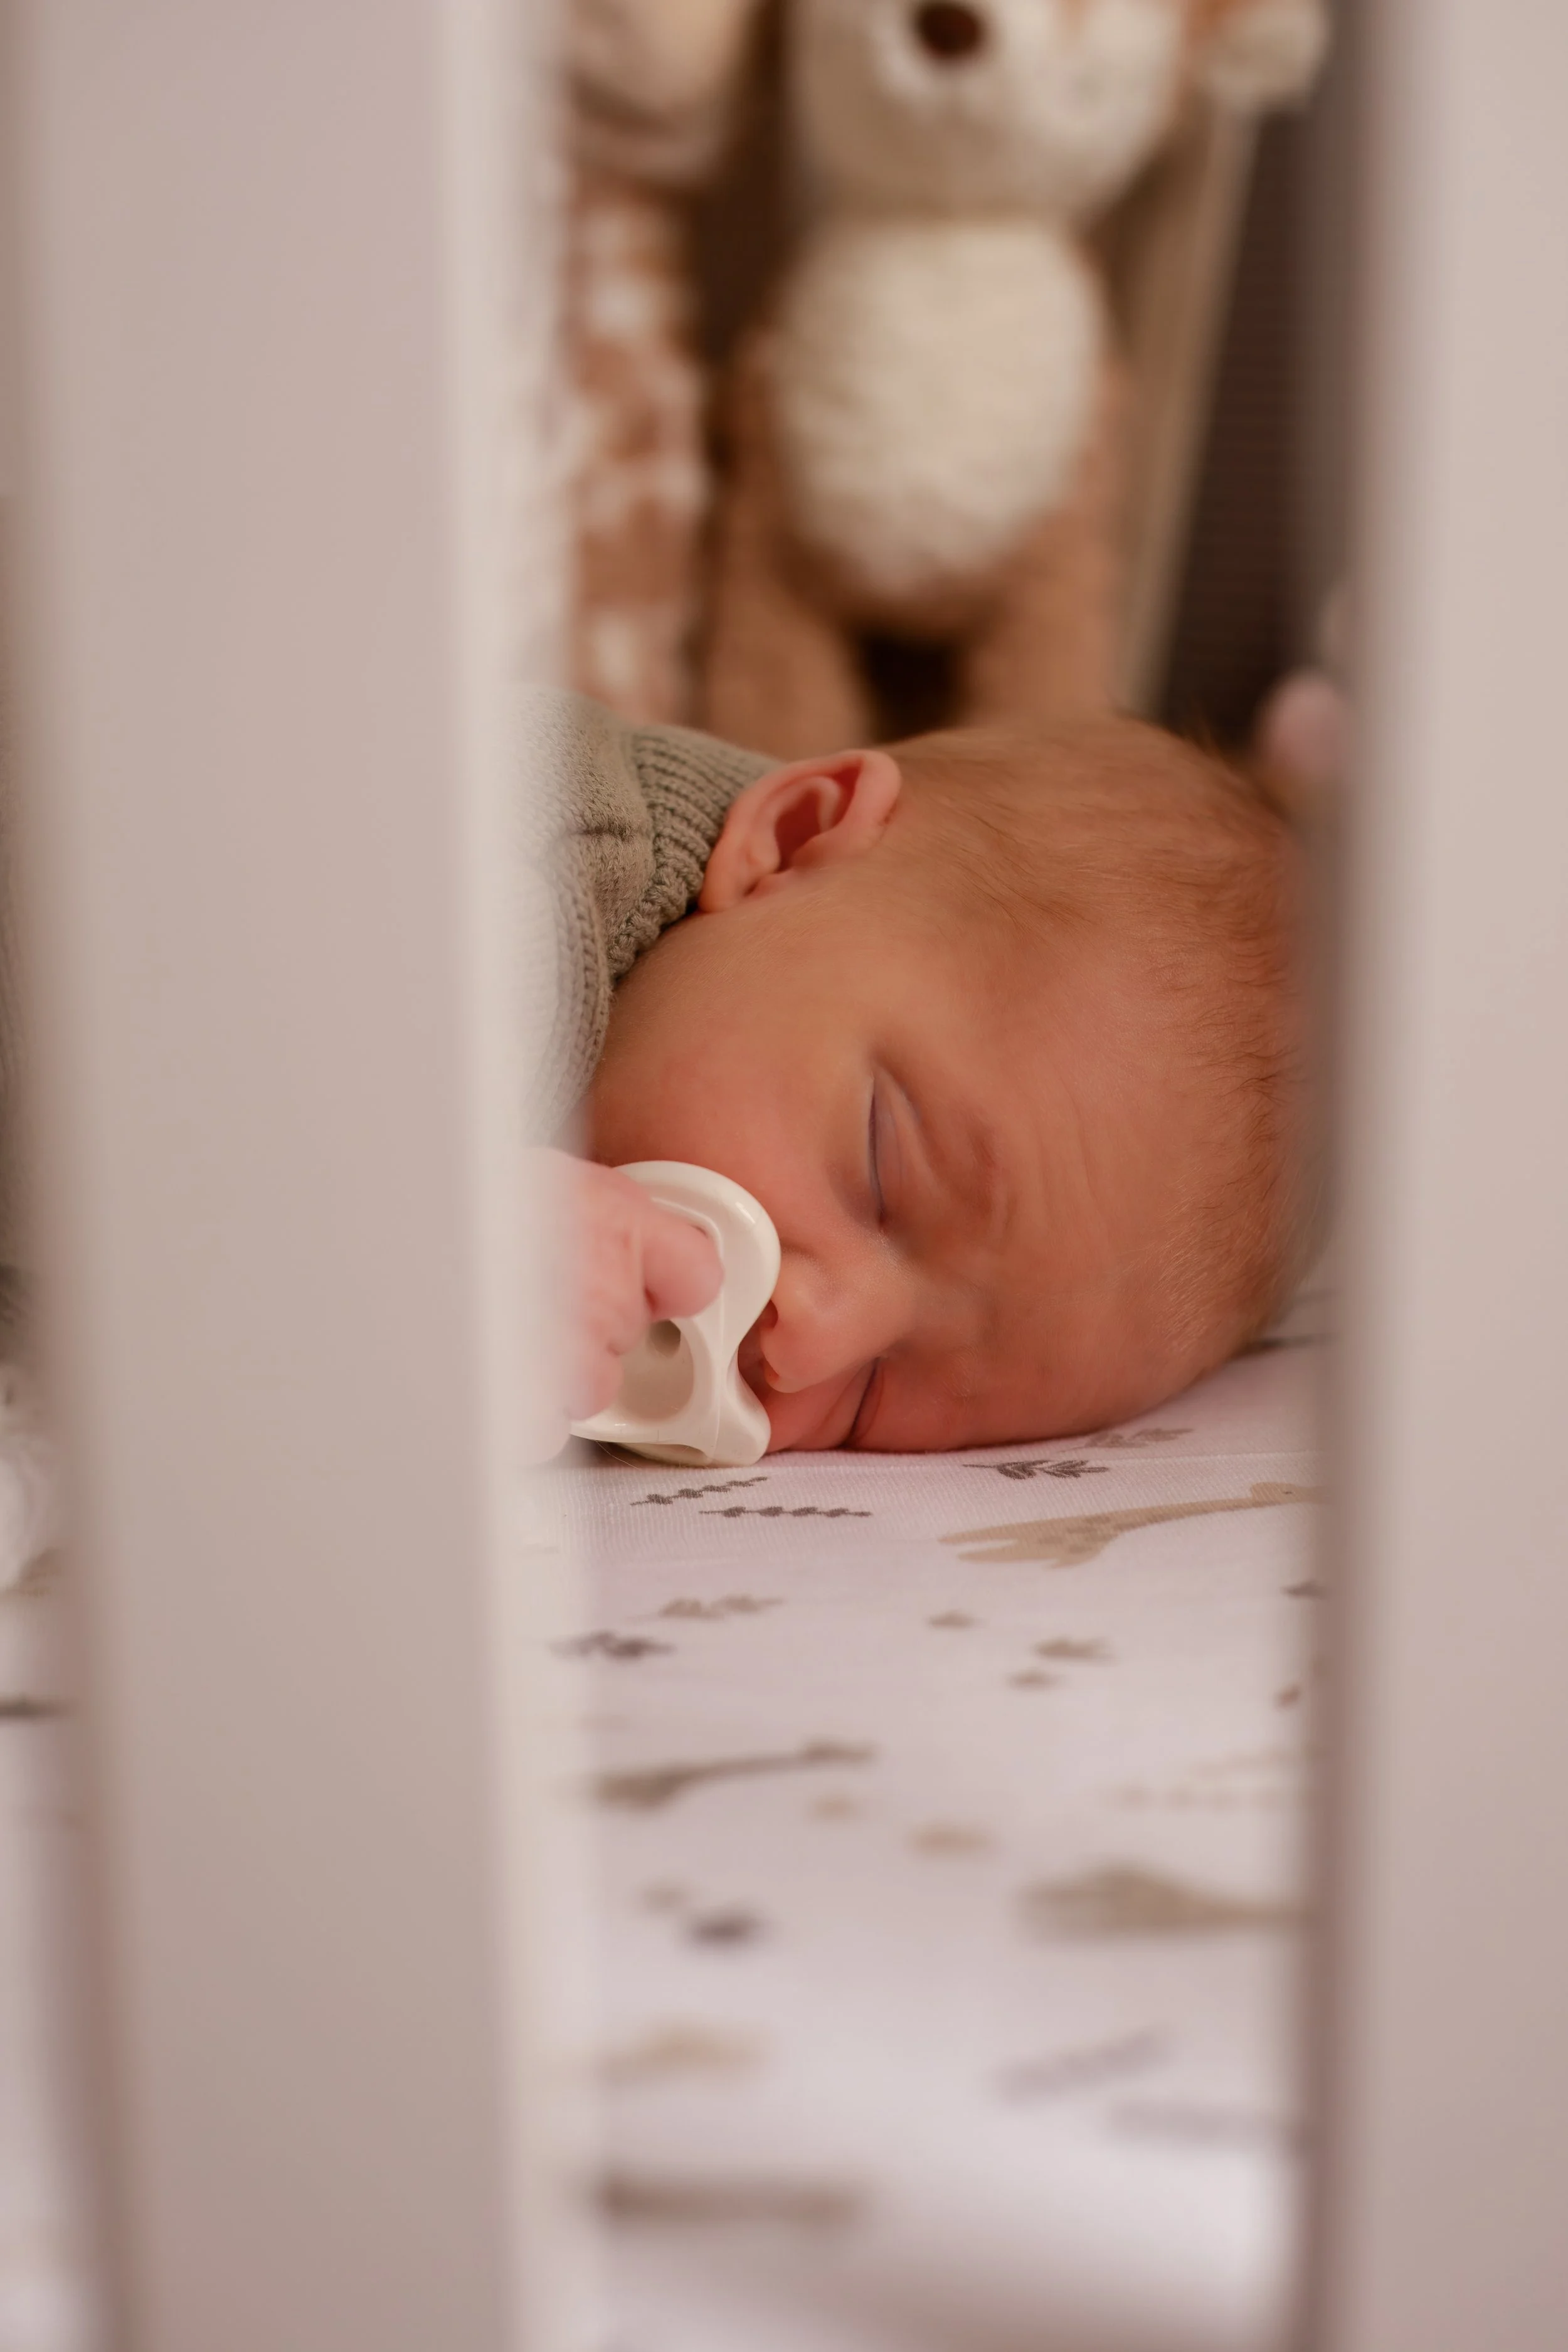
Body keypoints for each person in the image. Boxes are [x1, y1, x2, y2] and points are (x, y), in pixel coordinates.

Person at [526, 691, 1311, 1454]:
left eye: (873, 1397)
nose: (807, 1342)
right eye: (878, 1168)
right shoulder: (530, 868)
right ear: (795, 839)